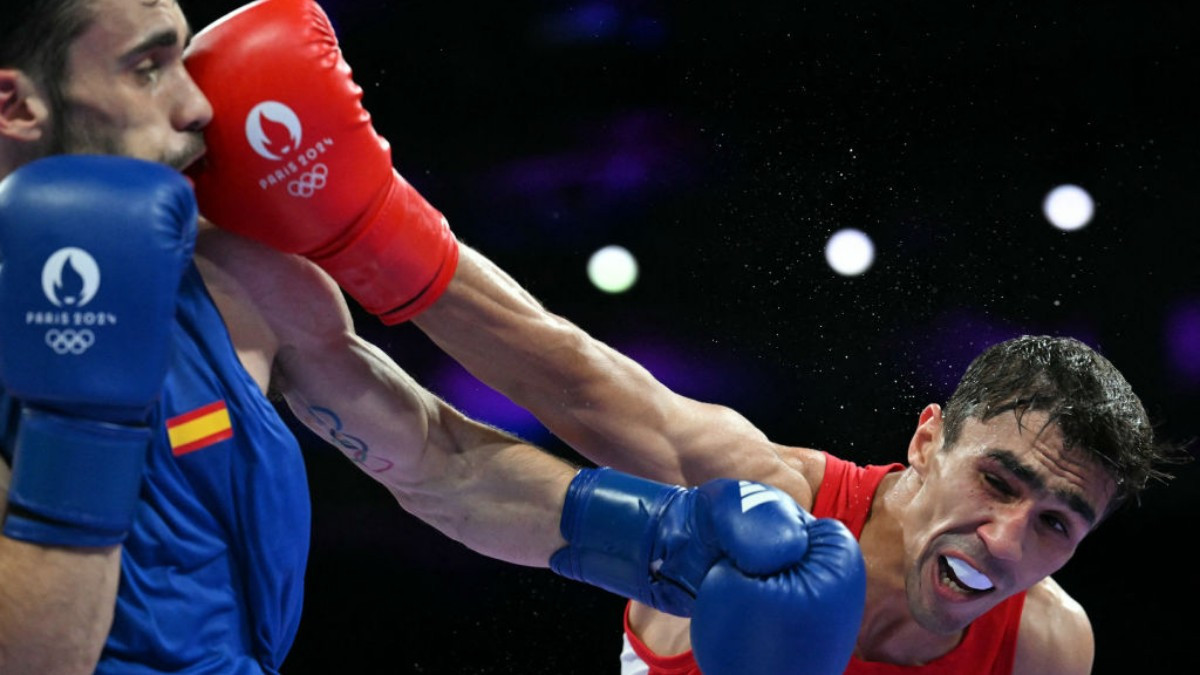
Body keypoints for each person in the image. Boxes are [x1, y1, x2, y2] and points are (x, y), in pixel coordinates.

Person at [186, 6, 1186, 675]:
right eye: (1000, 483)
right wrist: (363, 230)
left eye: (1060, 523)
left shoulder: (1046, 646)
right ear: (928, 439)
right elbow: (565, 379)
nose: (1011, 541)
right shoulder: (764, 507)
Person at [0, 1, 870, 674]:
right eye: (148, 68)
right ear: (16, 103)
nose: (196, 103)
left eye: (182, 55)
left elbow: (437, 461)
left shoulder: (241, 281)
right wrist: (83, 408)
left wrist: (665, 541)